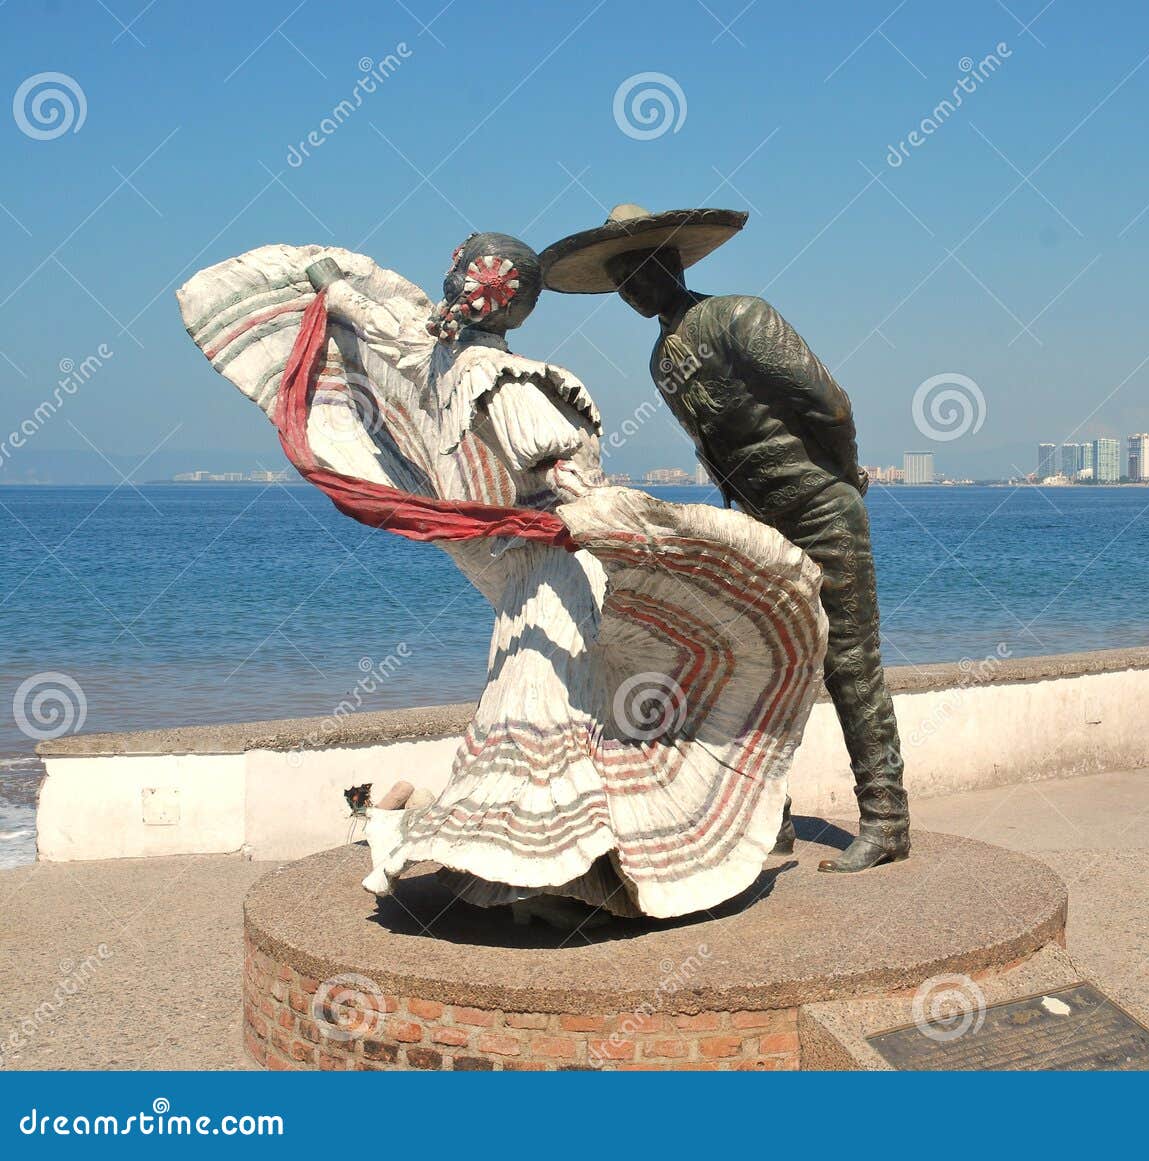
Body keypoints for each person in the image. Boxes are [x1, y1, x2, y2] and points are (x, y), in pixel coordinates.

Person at [176, 233, 827, 922]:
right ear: (519, 309)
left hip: (517, 585)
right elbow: (572, 488)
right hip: (553, 584)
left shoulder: (425, 360)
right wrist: (659, 531)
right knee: (555, 726)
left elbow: (361, 314)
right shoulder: (510, 386)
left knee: (535, 730)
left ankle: (528, 881)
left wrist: (334, 289)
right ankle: (540, 881)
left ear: (458, 279)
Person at [540, 206, 910, 874]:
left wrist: (842, 478)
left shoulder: (739, 316)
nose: (632, 291)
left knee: (849, 664)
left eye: (641, 272)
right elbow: (716, 451)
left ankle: (887, 819)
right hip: (755, 521)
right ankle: (770, 817)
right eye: (621, 282)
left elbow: (830, 404)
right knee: (759, 662)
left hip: (820, 509)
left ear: (673, 263)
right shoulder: (662, 360)